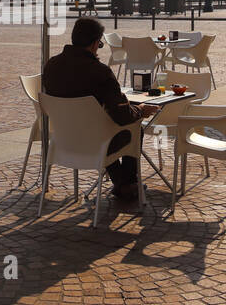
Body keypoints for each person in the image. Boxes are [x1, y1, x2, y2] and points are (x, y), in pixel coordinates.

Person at [41, 17, 159, 205]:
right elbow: (122, 116)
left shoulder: (51, 66)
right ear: (95, 43)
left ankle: (122, 183)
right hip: (95, 144)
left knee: (100, 129)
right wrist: (140, 110)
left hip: (63, 140)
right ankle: (127, 184)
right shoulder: (99, 72)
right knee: (135, 128)